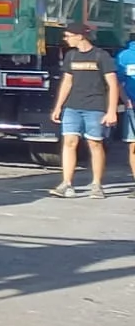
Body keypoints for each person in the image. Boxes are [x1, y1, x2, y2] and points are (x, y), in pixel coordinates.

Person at [50, 22, 118, 198]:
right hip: (72, 107)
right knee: (69, 143)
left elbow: (112, 84)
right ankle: (66, 184)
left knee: (95, 144)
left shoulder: (101, 56)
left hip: (95, 107)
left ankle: (96, 185)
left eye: (68, 36)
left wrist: (111, 111)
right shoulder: (70, 56)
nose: (65, 39)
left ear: (80, 36)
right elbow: (67, 82)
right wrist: (58, 107)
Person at [117, 32, 135, 185]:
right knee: (133, 146)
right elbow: (117, 81)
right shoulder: (124, 56)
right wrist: (126, 100)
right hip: (132, 106)